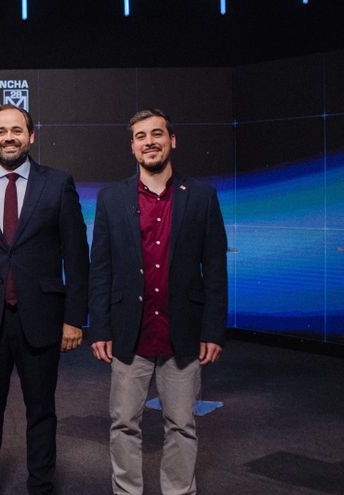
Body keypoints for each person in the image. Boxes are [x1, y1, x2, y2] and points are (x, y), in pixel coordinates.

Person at [0, 105, 90, 495]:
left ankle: (40, 486)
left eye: (17, 130)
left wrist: (75, 318)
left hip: (42, 319)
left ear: (31, 136)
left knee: (41, 412)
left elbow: (76, 257)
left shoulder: (58, 184)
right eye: (1, 131)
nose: (9, 137)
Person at [88, 108, 227, 495]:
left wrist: (213, 329)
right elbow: (100, 266)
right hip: (128, 332)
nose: (150, 142)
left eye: (157, 134)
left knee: (182, 424)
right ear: (132, 147)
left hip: (182, 332)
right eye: (141, 137)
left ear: (172, 140)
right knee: (123, 424)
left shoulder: (202, 197)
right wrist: (99, 326)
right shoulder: (111, 199)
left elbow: (215, 269)